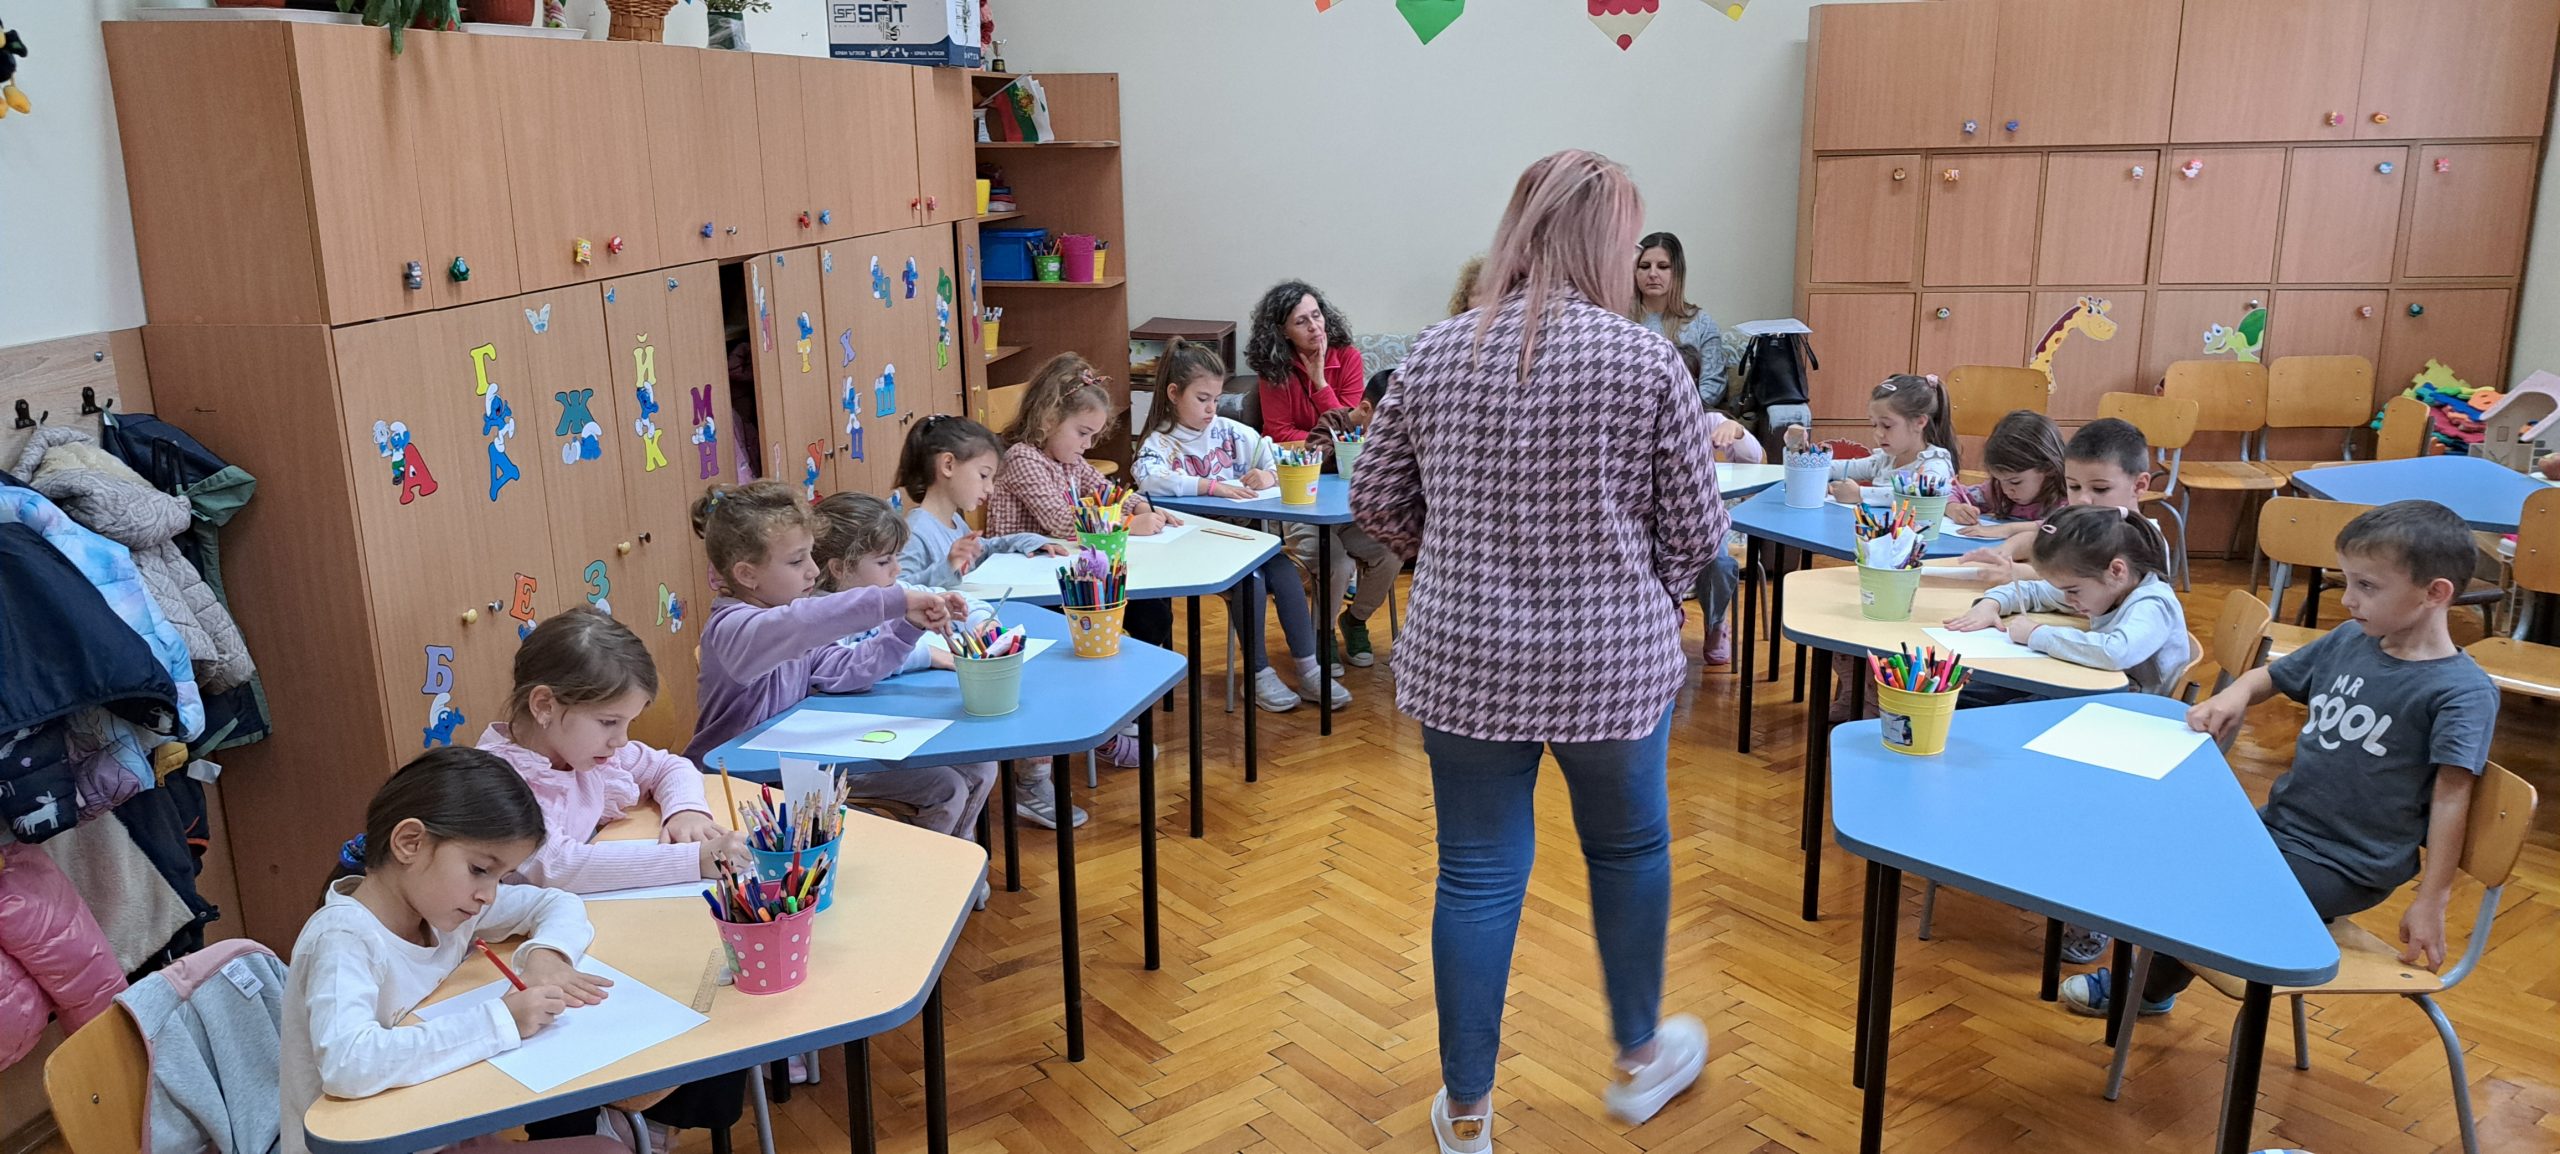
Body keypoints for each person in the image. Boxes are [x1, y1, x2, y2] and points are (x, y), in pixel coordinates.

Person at [1351, 149, 1720, 1152]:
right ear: (1612, 242)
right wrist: (1643, 589)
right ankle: (1638, 1058)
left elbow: (1374, 498)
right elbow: (1696, 532)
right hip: (1611, 660)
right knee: (1628, 849)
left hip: (1464, 654)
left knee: (1476, 875)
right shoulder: (1646, 362)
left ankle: (1468, 1111)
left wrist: (1457, 555)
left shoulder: (1435, 352)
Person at [2064, 500, 2498, 1018]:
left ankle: (2141, 991)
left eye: (2367, 586)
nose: (2348, 599)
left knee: (2211, 893)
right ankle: (2147, 987)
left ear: (2435, 593)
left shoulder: (2461, 693)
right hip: (2280, 827)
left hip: (2350, 864)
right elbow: (2272, 675)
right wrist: (2235, 695)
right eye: (2347, 581)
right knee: (2168, 851)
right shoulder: (2351, 639)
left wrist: (2432, 900)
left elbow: (2452, 799)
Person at [478, 610, 755, 1149]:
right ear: (544, 705)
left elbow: (671, 766)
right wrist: (692, 860)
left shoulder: (582, 750)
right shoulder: (501, 780)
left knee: (717, 986)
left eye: (627, 723)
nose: (621, 741)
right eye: (610, 723)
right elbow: (557, 866)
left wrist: (684, 812)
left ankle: (652, 1123)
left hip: (589, 926)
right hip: (519, 953)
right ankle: (598, 1126)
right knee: (591, 1037)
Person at [283, 748, 621, 1154]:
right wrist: (502, 1019)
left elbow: (557, 903)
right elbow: (349, 1064)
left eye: (501, 876)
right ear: (410, 843)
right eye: (480, 870)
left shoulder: (442, 909)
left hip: (440, 1123)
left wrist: (546, 955)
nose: (488, 895)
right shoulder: (344, 938)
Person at [990, 353, 1172, 816]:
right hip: (1019, 592)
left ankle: (1108, 715)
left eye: (1094, 436)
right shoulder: (1023, 458)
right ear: (1049, 418)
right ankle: (1034, 779)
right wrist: (1129, 525)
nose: (1088, 446)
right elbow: (1062, 521)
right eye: (1083, 433)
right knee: (1070, 649)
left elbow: (1110, 493)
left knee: (1151, 610)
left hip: (1060, 581)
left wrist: (1143, 508)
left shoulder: (1069, 461)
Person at [681, 478, 967, 767]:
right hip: (732, 778)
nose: (813, 571)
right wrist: (896, 601)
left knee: (949, 780)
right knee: (941, 785)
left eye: (810, 554)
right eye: (796, 561)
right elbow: (802, 622)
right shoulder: (734, 630)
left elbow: (846, 670)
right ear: (747, 575)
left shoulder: (787, 617)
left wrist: (908, 628)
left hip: (785, 765)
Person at [1133, 337, 1344, 710]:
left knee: (1284, 572)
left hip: (1246, 542)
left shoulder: (1231, 433)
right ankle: (1258, 674)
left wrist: (1270, 476)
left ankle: (1309, 668)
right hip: (1194, 547)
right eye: (1202, 399)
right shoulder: (1160, 443)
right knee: (1252, 581)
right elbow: (1148, 478)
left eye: (1216, 399)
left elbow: (1282, 458)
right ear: (1174, 393)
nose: (1211, 409)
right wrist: (1211, 486)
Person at [809, 490, 1002, 849]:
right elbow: (847, 667)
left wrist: (978, 619)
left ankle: (959, 859)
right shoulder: (819, 612)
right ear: (839, 569)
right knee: (946, 788)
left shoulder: (889, 589)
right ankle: (926, 869)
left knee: (982, 766)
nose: (897, 570)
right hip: (834, 749)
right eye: (885, 561)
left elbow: (940, 594)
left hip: (880, 729)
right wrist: (926, 654)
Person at [1247, 280, 1402, 669]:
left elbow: (1352, 421)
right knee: (1338, 564)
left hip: (1345, 500)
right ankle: (1321, 633)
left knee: (1393, 549)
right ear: (1283, 331)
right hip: (1301, 497)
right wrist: (1322, 438)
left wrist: (1319, 385)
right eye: (1302, 321)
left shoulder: (1346, 356)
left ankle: (1356, 619)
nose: (1315, 326)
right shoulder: (1274, 371)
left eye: (1317, 315)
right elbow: (1278, 436)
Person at [1942, 505, 2192, 697]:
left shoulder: (2153, 604)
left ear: (2116, 571)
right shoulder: (2104, 588)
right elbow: (2034, 591)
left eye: (2073, 590)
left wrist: (2037, 634)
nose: (2069, 599)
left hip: (2130, 707)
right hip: (2090, 685)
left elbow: (2115, 653)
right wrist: (1991, 604)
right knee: (1971, 691)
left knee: (2007, 709)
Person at [1963, 416, 2155, 583]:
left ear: (2139, 486)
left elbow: (2088, 587)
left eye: (2100, 489)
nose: (2083, 499)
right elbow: (2039, 539)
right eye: (2074, 487)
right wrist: (2005, 551)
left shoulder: (2145, 544)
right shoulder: (2086, 524)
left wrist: (2023, 573)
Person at [891, 415, 1070, 590]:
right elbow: (896, 590)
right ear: (948, 465)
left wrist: (1030, 541)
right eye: (983, 475)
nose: (990, 489)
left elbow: (985, 548)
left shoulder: (954, 521)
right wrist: (947, 566)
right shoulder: (915, 531)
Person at [1680, 342, 1761, 667]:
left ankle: (1716, 624)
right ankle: (1664, 619)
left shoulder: (1710, 420)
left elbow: (1753, 459)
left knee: (1718, 560)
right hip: (1660, 526)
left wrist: (1736, 430)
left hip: (1707, 523)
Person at [1784, 374, 1961, 504]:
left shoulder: (1934, 462)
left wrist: (1860, 494)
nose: (1878, 434)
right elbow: (1833, 467)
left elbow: (1922, 495)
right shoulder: (1885, 459)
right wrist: (1815, 470)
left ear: (1919, 422)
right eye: (1874, 425)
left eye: (1887, 426)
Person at [1631, 233, 1727, 409]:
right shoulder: (1619, 321)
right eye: (1644, 266)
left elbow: (1713, 384)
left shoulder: (1701, 323)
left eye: (1663, 266)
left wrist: (1681, 412)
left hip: (1690, 414)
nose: (1652, 274)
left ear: (1677, 272)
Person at [1945, 409, 2066, 533]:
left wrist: (2006, 529)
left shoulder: (2068, 499)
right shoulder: (1997, 492)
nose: (2006, 490)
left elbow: (2062, 526)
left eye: (2015, 482)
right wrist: (1953, 508)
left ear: (2048, 469)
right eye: (1999, 480)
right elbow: (1949, 493)